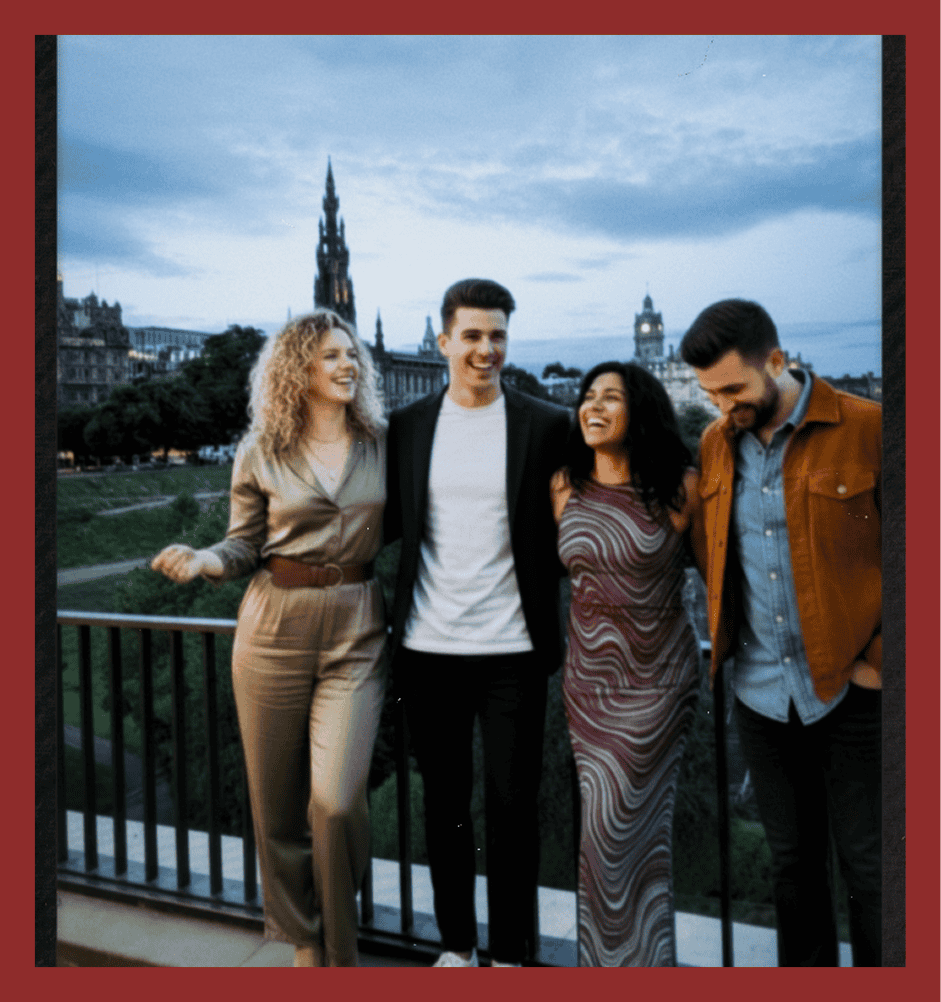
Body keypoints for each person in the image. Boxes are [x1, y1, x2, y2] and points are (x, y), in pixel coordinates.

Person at [151, 309, 387, 967]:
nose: (348, 366)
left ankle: (342, 951)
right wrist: (205, 560)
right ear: (298, 371)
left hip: (356, 626)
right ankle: (304, 940)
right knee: (277, 806)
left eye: (352, 356)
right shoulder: (261, 450)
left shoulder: (382, 441)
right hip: (272, 625)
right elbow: (243, 541)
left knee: (336, 804)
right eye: (331, 357)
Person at [680, 298, 882, 966]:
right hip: (760, 694)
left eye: (733, 389)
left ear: (776, 360)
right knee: (792, 868)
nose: (720, 407)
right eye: (709, 393)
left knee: (872, 868)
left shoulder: (868, 427)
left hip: (855, 691)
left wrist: (878, 660)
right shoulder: (714, 444)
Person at [384, 278, 570, 967]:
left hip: (513, 651)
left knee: (513, 809)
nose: (485, 348)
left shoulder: (547, 423)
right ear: (442, 342)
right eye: (471, 335)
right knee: (445, 807)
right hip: (427, 650)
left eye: (497, 335)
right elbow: (376, 525)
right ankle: (458, 949)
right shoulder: (405, 426)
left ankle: (514, 955)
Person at [549, 361, 702, 966]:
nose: (593, 405)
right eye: (587, 397)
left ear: (640, 411)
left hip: (658, 684)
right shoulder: (565, 485)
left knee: (615, 837)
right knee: (612, 844)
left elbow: (718, 577)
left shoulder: (680, 486)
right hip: (587, 688)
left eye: (610, 397)